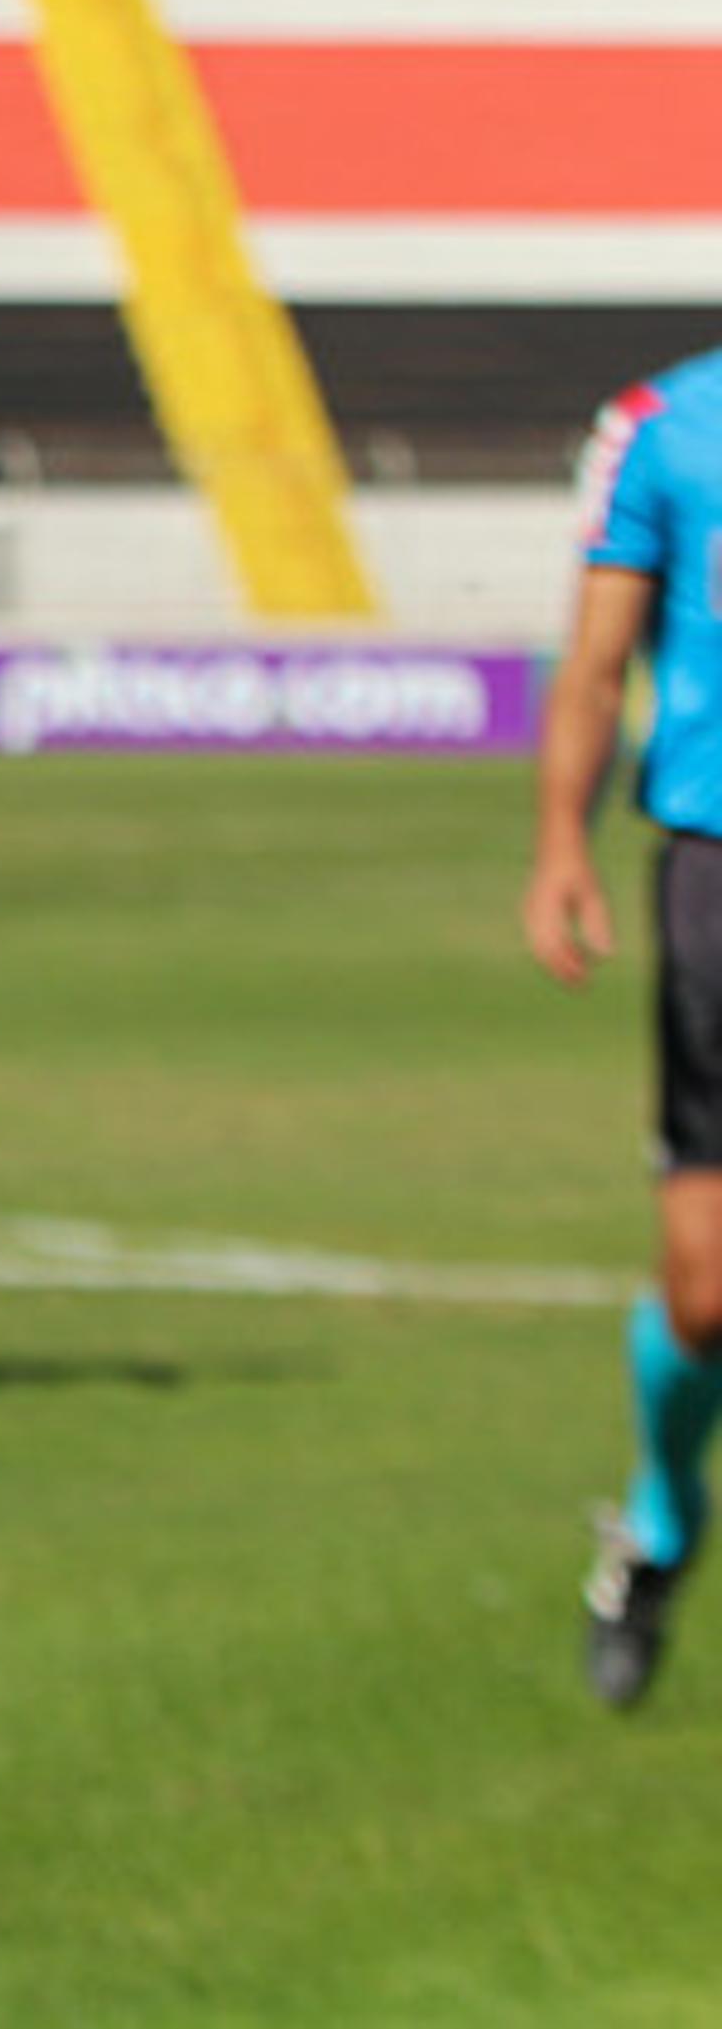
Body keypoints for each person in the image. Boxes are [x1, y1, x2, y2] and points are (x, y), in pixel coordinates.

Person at [530, 360, 722, 1710]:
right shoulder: (665, 427)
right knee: (709, 1290)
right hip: (716, 873)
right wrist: (560, 844)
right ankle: (659, 1518)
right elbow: (599, 662)